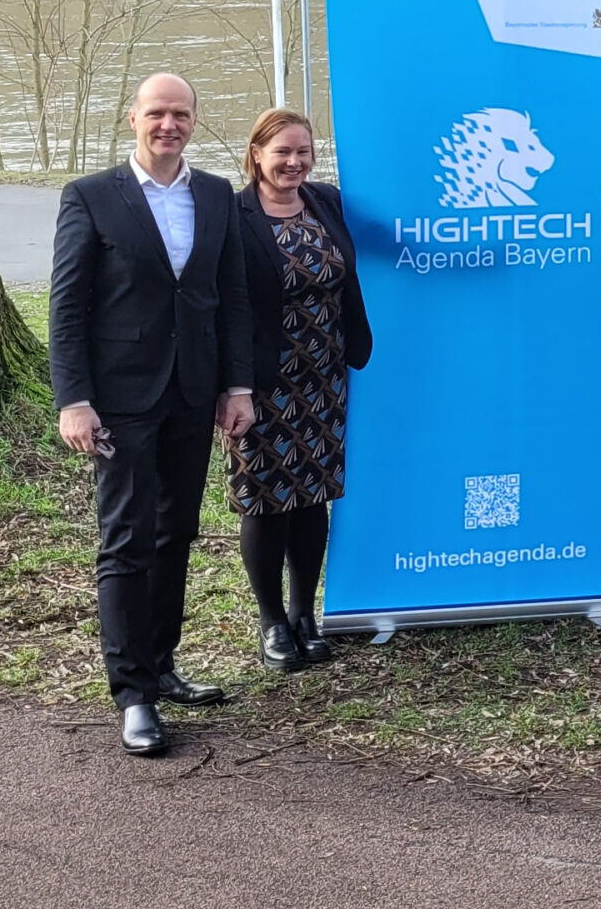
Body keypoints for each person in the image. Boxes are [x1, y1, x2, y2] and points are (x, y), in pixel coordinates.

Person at [51, 73, 255, 754]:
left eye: (182, 114)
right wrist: (74, 400)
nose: (169, 124)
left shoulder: (215, 195)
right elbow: (68, 308)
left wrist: (237, 387)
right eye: (157, 113)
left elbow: (230, 299)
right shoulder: (90, 197)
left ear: (195, 121)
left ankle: (162, 666)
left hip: (194, 394)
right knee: (126, 539)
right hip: (118, 398)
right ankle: (132, 693)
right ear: (133, 118)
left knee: (176, 534)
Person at [230, 107, 369, 672]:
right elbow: (225, 304)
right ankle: (270, 622)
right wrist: (230, 385)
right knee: (264, 499)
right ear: (257, 154)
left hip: (324, 374)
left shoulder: (325, 201)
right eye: (282, 151)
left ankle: (303, 614)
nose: (294, 162)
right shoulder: (232, 214)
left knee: (313, 496)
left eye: (303, 152)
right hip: (261, 381)